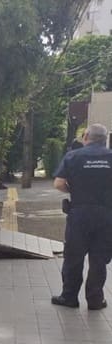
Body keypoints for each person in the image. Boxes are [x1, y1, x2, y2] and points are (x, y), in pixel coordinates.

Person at [52, 124, 112, 310]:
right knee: (99, 258)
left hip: (79, 213)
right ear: (105, 139)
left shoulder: (73, 156)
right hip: (106, 215)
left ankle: (69, 297)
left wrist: (75, 191)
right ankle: (95, 300)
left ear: (86, 137)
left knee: (73, 257)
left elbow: (59, 183)